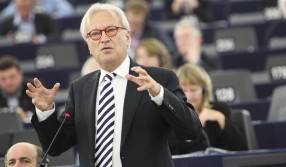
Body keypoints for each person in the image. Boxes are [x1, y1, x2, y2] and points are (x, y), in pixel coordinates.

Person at [26, 3, 201, 167]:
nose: (103, 38)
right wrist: (45, 112)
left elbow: (191, 131)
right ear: (88, 46)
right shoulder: (80, 89)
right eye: (95, 33)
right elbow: (57, 146)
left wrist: (159, 94)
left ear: (127, 37)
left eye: (110, 30)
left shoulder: (159, 79)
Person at [169, 64, 247, 155]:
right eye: (183, 91)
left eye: (193, 90)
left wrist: (222, 120)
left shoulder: (219, 110)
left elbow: (243, 151)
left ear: (204, 91)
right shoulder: (170, 115)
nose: (188, 96)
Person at [0, 55, 34, 123]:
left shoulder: (33, 89)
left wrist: (27, 116)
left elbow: (47, 115)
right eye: (3, 79)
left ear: (21, 76)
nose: (8, 83)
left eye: (12, 77)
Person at [1, 0, 74, 19]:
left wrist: (54, 15)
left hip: (45, 29)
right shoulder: (22, 1)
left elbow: (68, 10)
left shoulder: (52, 1)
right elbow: (5, 15)